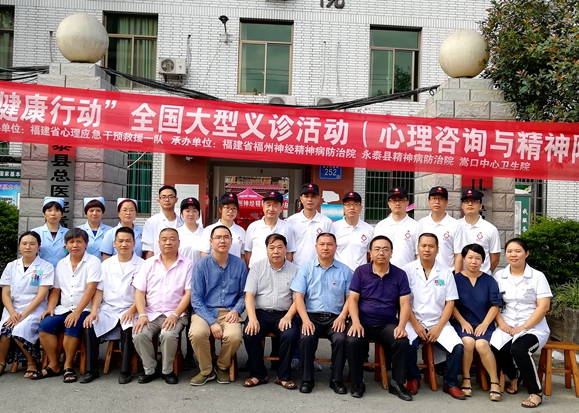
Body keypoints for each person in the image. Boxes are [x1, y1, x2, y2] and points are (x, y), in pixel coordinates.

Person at [346, 235, 413, 401]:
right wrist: (355, 322)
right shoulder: (361, 272)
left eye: (385, 249)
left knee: (401, 341)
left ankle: (397, 384)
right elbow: (352, 300)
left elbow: (405, 303)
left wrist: (401, 326)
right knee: (352, 340)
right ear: (370, 253)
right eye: (377, 249)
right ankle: (357, 382)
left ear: (391, 253)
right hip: (363, 321)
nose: (381, 253)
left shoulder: (400, 274)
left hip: (387, 323)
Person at [33, 228, 102, 383]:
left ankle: (68, 365)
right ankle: (54, 364)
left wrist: (77, 312)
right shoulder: (61, 264)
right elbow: (56, 290)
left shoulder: (93, 262)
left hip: (84, 309)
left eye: (79, 241)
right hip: (63, 308)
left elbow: (91, 289)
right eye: (71, 242)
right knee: (44, 326)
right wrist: (50, 307)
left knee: (71, 326)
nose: (75, 245)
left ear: (86, 244)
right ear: (66, 245)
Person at [490, 238, 552, 408]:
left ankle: (536, 392)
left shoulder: (537, 276)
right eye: (509, 251)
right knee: (496, 347)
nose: (513, 255)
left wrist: (524, 327)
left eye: (518, 251)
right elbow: (495, 304)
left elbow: (544, 306)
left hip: (533, 327)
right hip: (508, 323)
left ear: (526, 253)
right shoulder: (499, 276)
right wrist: (502, 324)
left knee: (519, 349)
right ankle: (514, 376)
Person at [402, 233, 465, 400]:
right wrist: (415, 324)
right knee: (407, 345)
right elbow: (404, 302)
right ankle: (413, 378)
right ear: (417, 248)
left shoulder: (445, 272)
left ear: (437, 249)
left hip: (439, 321)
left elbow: (450, 303)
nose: (427, 249)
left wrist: (438, 327)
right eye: (423, 246)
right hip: (412, 320)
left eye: (431, 246)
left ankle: (450, 383)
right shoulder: (407, 270)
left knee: (458, 347)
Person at [81, 227, 144, 384]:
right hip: (108, 309)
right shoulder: (106, 264)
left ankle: (125, 371)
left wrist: (132, 310)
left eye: (128, 241)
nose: (124, 244)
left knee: (129, 329)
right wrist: (94, 311)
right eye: (120, 241)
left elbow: (143, 293)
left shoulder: (143, 265)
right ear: (114, 243)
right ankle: (91, 370)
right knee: (90, 325)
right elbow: (99, 291)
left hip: (132, 308)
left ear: (134, 243)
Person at [290, 233, 352, 394]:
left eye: (330, 244)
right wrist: (305, 320)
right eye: (322, 244)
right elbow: (298, 297)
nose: (326, 248)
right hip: (311, 316)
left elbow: (350, 299)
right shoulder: (306, 268)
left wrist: (342, 317)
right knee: (306, 338)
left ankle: (336, 379)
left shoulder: (345, 271)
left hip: (335, 318)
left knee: (341, 339)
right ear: (316, 247)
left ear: (335, 247)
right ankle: (307, 379)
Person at [132, 228, 192, 385]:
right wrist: (142, 315)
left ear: (178, 242)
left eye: (172, 239)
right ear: (158, 243)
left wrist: (175, 315)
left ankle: (167, 370)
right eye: (164, 239)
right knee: (139, 334)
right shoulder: (148, 263)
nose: (168, 242)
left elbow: (188, 294)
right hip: (151, 313)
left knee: (168, 334)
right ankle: (150, 370)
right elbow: (139, 292)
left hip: (176, 314)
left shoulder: (187, 264)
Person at [189, 225, 247, 386]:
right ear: (211, 241)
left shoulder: (239, 264)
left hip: (229, 311)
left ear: (231, 241)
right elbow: (196, 298)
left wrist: (236, 310)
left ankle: (222, 366)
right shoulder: (201, 265)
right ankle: (206, 371)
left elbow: (244, 294)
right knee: (197, 333)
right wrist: (212, 322)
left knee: (234, 336)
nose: (222, 240)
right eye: (218, 237)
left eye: (226, 237)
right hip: (204, 311)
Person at [242, 234, 299, 390]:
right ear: (266, 249)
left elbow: (298, 299)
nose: (276, 251)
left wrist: (288, 317)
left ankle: (283, 376)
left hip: (284, 314)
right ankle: (258, 374)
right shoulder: (257, 268)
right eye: (272, 248)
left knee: (290, 334)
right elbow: (249, 296)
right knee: (250, 333)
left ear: (286, 249)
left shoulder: (295, 270)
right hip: (260, 313)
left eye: (280, 247)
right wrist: (252, 318)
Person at [450, 244, 502, 401]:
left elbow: (495, 305)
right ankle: (466, 379)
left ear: (483, 261)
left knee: (481, 344)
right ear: (463, 259)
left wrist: (485, 324)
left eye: (478, 258)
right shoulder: (455, 279)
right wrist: (462, 321)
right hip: (462, 323)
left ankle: (494, 382)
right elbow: (450, 304)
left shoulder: (489, 280)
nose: (474, 261)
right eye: (470, 258)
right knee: (468, 342)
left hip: (483, 323)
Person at [0, 231, 54, 377]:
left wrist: (23, 315)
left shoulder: (46, 267)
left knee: (19, 329)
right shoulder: (11, 266)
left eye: (32, 244)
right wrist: (12, 312)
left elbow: (41, 295)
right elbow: (5, 293)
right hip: (12, 307)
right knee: (4, 330)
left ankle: (32, 362)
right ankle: (1, 362)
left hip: (34, 308)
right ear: (19, 246)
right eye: (24, 243)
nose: (27, 247)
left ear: (39, 246)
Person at [418, 186, 466, 274]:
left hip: (447, 273)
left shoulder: (455, 225)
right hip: (424, 273)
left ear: (446, 202)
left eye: (441, 199)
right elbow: (418, 253)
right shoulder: (421, 224)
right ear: (429, 201)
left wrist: (457, 277)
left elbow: (458, 254)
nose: (437, 202)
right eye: (434, 198)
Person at [244, 191, 296, 268]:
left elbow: (289, 253)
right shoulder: (253, 227)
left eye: (275, 205)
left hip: (280, 271)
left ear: (281, 208)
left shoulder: (287, 227)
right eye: (268, 205)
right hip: (257, 271)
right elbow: (248, 252)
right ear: (263, 207)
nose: (271, 209)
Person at [286, 183, 333, 268]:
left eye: (313, 196)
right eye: (306, 196)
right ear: (301, 198)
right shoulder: (291, 221)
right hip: (297, 268)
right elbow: (288, 250)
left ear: (318, 198)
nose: (310, 199)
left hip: (320, 269)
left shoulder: (326, 222)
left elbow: (331, 248)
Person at [373, 187, 420, 268]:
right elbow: (374, 252)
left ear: (407, 202)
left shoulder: (416, 226)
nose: (397, 203)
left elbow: (418, 254)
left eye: (401, 200)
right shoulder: (381, 226)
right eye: (394, 200)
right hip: (384, 272)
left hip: (408, 272)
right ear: (389, 203)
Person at [458, 189, 501, 274]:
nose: (470, 204)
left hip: (482, 277)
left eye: (474, 201)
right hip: (458, 277)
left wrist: (486, 274)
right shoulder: (455, 226)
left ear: (480, 206)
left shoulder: (490, 229)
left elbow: (495, 258)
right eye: (466, 201)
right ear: (462, 205)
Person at [332, 191, 374, 272]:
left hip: (361, 274)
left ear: (361, 208)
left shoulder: (369, 229)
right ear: (343, 208)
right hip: (338, 273)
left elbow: (370, 255)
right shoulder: (334, 227)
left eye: (355, 204)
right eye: (348, 204)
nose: (352, 207)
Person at [142, 185, 183, 259]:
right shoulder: (151, 222)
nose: (167, 200)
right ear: (159, 201)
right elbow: (149, 250)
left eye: (170, 197)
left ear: (176, 200)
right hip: (158, 263)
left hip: (180, 262)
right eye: (163, 197)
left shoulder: (183, 222)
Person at [200, 193, 246, 260]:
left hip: (235, 266)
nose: (230, 211)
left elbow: (242, 254)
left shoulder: (241, 231)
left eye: (234, 208)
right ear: (220, 209)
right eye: (227, 208)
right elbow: (204, 253)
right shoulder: (209, 229)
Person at [32, 197, 68, 268]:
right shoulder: (35, 233)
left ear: (62, 214)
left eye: (57, 210)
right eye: (49, 210)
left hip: (63, 271)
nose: (53, 213)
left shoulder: (68, 233)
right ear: (44, 214)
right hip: (40, 270)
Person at [177, 197, 204, 265]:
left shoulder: (205, 233)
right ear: (182, 213)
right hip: (181, 270)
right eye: (187, 211)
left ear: (198, 213)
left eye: (194, 211)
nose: (191, 214)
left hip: (199, 270)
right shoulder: (177, 233)